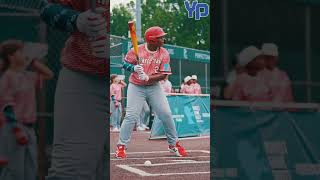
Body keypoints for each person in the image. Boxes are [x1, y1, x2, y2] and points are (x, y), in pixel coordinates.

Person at [39, 1, 109, 179]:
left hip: (128, 79)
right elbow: (46, 7)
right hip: (85, 72)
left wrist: (123, 48)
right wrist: (77, 20)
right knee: (69, 172)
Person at [116, 26, 187, 158]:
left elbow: (164, 75)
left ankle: (173, 144)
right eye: (160, 37)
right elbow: (124, 64)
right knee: (131, 116)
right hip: (136, 86)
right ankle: (121, 146)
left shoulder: (164, 53)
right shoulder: (136, 51)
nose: (163, 39)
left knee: (166, 113)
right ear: (152, 40)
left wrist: (148, 77)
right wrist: (133, 68)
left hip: (154, 86)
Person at [0, 39, 53, 180]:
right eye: (20, 52)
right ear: (11, 56)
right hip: (14, 128)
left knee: (30, 169)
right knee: (14, 171)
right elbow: (6, 105)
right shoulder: (7, 77)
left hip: (29, 128)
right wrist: (17, 130)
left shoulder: (27, 75)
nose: (24, 54)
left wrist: (32, 61)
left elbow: (49, 74)